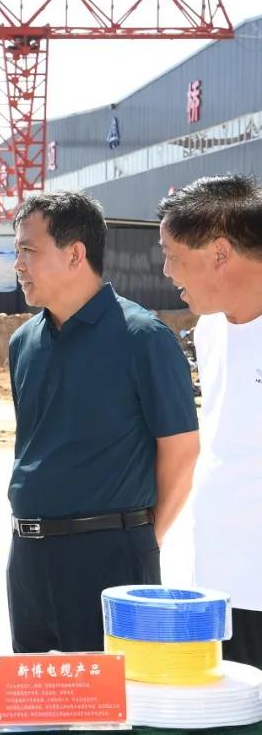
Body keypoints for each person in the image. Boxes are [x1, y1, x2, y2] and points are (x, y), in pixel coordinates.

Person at [7, 190, 199, 653]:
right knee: (37, 691)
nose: (18, 265)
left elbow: (181, 451)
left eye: (29, 250)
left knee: (111, 694)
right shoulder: (23, 343)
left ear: (76, 253)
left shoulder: (143, 338)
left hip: (110, 556)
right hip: (29, 556)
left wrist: (141, 541)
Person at [158, 174, 262, 669]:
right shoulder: (209, 330)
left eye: (172, 256)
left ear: (220, 253)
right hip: (220, 584)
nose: (165, 271)